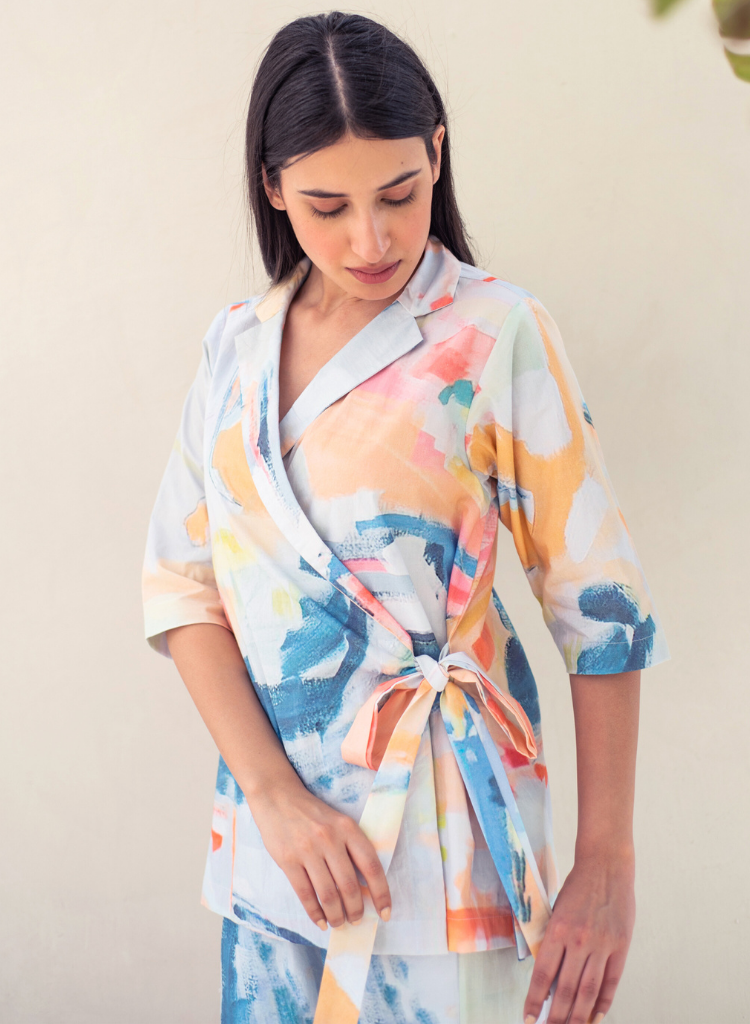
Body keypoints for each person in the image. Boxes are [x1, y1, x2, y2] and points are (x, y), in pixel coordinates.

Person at [142, 12, 669, 1024]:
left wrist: (607, 861)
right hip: (275, 858)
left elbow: (601, 606)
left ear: (437, 154)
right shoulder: (235, 348)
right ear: (272, 187)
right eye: (327, 205)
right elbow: (183, 587)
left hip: (445, 846)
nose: (371, 239)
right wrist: (275, 799)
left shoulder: (496, 332)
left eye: (399, 194)